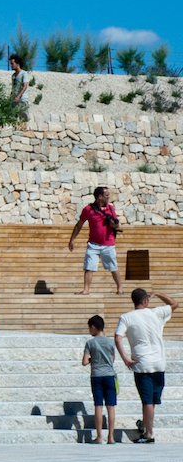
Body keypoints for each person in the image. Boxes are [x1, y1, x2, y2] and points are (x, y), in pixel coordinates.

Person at [115, 288, 174, 444]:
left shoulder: (126, 317)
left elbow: (117, 337)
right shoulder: (156, 313)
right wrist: (159, 293)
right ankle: (144, 424)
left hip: (142, 364)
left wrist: (126, 359)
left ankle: (149, 434)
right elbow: (174, 304)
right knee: (152, 400)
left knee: (147, 401)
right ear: (146, 300)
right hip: (159, 363)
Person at [70, 186, 124, 296]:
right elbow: (79, 224)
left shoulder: (110, 208)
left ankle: (120, 288)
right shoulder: (88, 209)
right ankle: (86, 290)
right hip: (93, 244)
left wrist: (115, 225)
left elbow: (116, 224)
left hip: (108, 244)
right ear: (100, 197)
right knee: (89, 267)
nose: (109, 197)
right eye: (107, 195)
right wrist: (72, 239)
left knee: (113, 267)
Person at [83, 315, 120, 444]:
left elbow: (84, 362)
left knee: (98, 406)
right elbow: (113, 358)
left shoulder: (90, 343)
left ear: (93, 327)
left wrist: (93, 359)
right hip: (109, 376)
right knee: (111, 407)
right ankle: (111, 437)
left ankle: (99, 436)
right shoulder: (111, 342)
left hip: (96, 376)